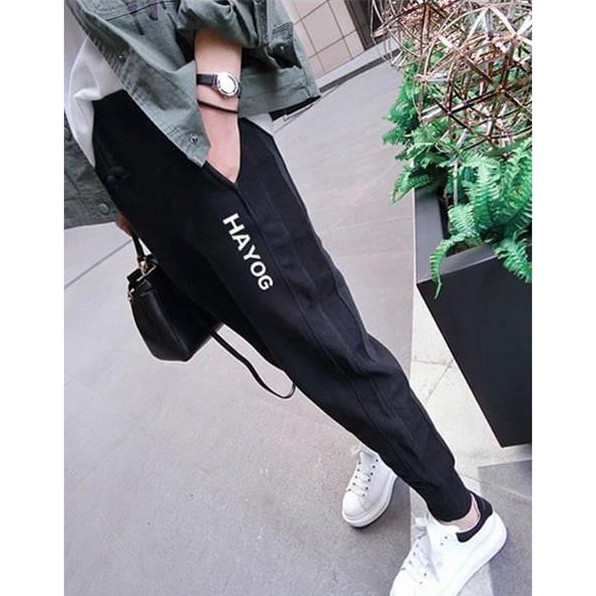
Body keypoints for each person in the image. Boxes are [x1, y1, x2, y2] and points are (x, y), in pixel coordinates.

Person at [64, 1, 507, 594]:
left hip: (185, 120)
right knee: (286, 342)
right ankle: (385, 441)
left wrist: (217, 116)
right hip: (124, 154)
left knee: (318, 333)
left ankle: (464, 519)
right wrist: (116, 187)